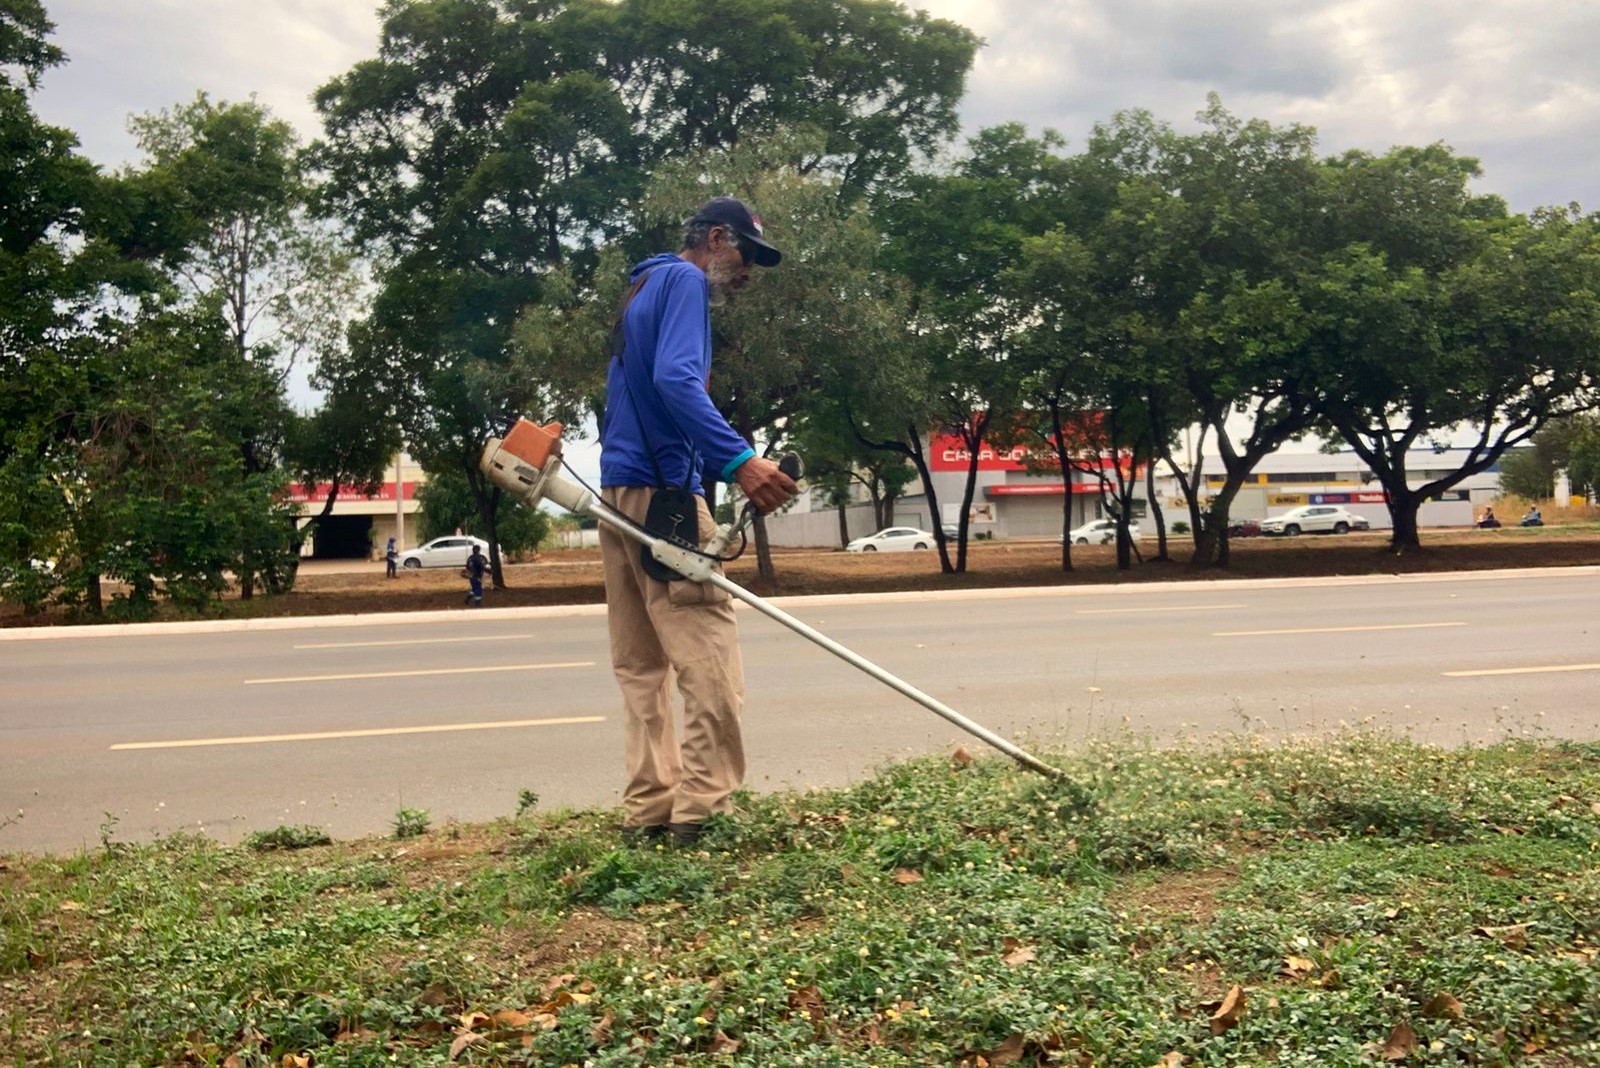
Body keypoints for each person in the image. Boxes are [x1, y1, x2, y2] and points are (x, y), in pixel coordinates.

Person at [599, 196, 798, 848]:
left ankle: (649, 810)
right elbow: (678, 378)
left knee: (641, 666)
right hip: (667, 501)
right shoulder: (684, 280)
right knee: (708, 656)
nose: (749, 272)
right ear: (716, 238)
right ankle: (702, 812)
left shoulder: (642, 286)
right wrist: (740, 461)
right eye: (746, 255)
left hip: (616, 495)